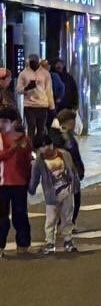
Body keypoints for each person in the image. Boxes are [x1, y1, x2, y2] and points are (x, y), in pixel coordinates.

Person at [28, 143, 78, 253]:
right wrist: (31, 189)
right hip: (51, 195)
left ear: (51, 145)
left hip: (67, 192)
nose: (44, 149)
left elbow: (72, 170)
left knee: (67, 218)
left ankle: (68, 241)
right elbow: (35, 178)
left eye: (46, 146)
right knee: (50, 220)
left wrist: (75, 186)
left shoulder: (64, 154)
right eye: (41, 147)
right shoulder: (39, 161)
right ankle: (50, 243)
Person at [0, 108, 34, 257]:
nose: (2, 124)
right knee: (1, 217)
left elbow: (28, 161)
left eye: (5, 121)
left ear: (14, 123)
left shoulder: (24, 139)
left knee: (20, 215)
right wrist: (12, 149)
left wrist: (29, 180)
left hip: (19, 183)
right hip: (2, 184)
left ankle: (23, 244)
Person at [18, 55, 54, 145]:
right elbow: (18, 90)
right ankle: (30, 148)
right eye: (31, 62)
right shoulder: (23, 74)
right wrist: (27, 88)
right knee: (31, 126)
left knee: (41, 128)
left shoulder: (45, 74)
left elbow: (49, 90)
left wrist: (51, 105)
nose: (33, 63)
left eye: (35, 62)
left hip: (42, 104)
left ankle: (38, 146)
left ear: (38, 62)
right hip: (29, 105)